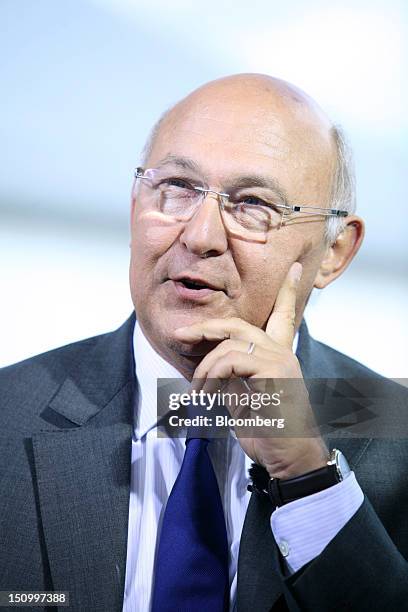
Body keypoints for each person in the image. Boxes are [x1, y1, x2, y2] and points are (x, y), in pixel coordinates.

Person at [0, 73, 407, 612]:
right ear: (133, 205)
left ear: (333, 253)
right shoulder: (10, 412)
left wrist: (306, 475)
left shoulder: (398, 439)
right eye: (176, 189)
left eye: (253, 205)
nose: (199, 236)